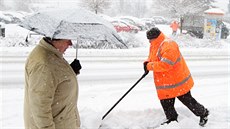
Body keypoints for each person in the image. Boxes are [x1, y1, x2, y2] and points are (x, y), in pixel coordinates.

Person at [143, 27, 209, 126]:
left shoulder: (169, 45)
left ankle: (203, 113)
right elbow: (152, 57)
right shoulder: (155, 44)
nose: (149, 42)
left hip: (178, 81)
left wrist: (149, 66)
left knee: (187, 100)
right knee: (165, 102)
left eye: (150, 39)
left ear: (155, 37)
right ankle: (172, 120)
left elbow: (166, 65)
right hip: (165, 82)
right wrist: (147, 63)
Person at [24, 37, 82, 129]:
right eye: (67, 40)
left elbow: (55, 78)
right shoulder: (44, 64)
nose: (70, 43)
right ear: (55, 39)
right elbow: (40, 109)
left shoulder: (51, 55)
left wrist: (71, 71)